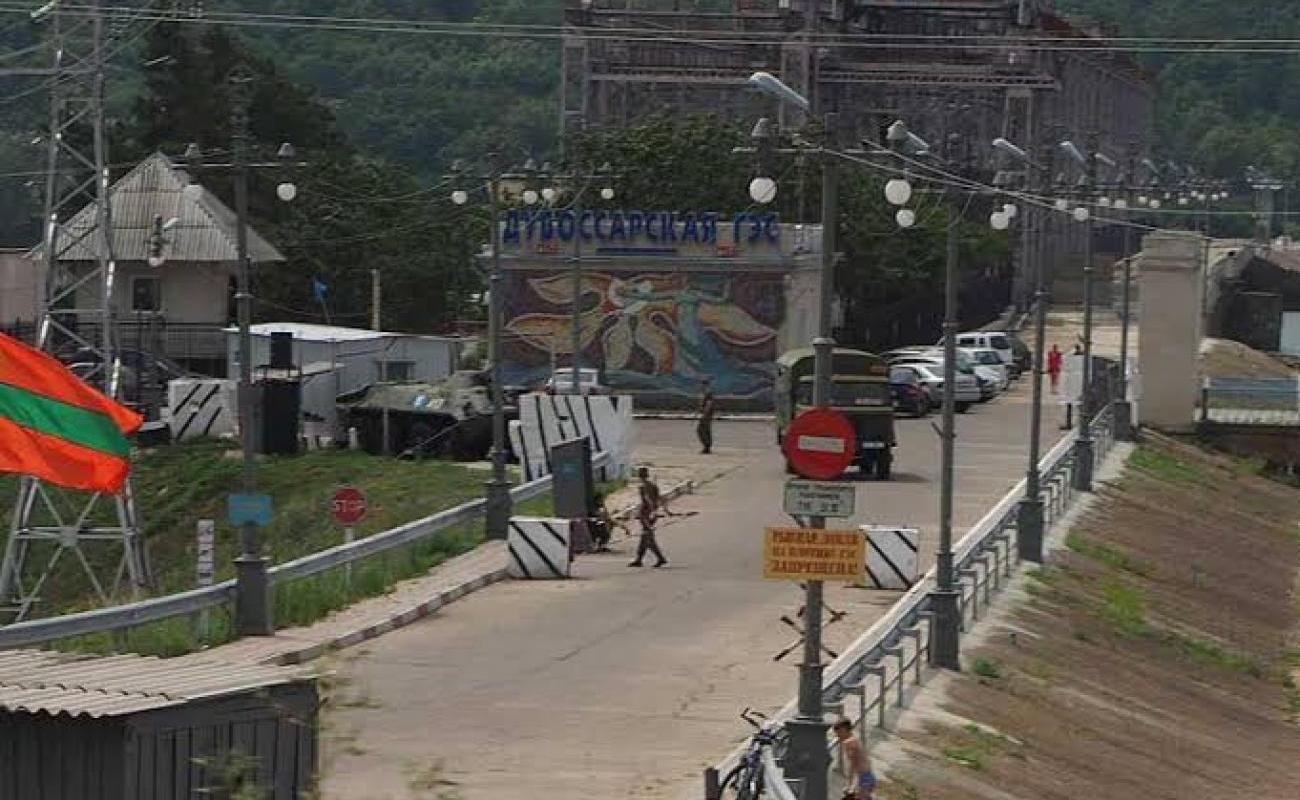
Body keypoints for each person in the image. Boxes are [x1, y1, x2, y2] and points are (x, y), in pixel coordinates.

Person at [629, 466, 668, 568]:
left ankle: (660, 558)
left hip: (646, 514)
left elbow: (647, 498)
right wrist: (666, 510)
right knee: (644, 536)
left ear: (639, 475)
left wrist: (652, 511)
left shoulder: (643, 486)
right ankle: (639, 559)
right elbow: (661, 498)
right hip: (651, 513)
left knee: (648, 537)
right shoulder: (653, 485)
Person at [833, 718, 875, 799]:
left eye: (839, 733)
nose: (838, 736)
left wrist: (850, 785)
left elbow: (853, 765)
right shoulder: (855, 740)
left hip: (864, 779)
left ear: (844, 730)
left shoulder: (849, 743)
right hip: (867, 777)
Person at [696, 379, 716, 454]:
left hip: (707, 414)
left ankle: (707, 446)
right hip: (706, 414)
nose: (699, 386)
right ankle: (707, 447)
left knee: (701, 429)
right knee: (705, 429)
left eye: (700, 384)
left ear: (704, 385)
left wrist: (705, 413)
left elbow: (709, 403)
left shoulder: (708, 392)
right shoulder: (704, 393)